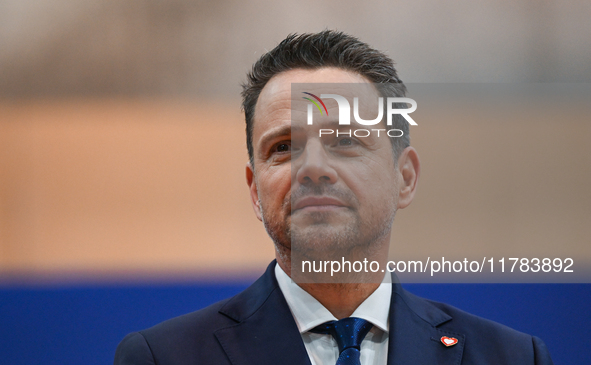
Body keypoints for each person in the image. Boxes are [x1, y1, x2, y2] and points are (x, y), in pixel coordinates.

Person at [114, 30, 554, 365]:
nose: (312, 168)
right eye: (283, 147)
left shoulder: (510, 356)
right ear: (254, 189)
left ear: (405, 177)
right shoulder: (163, 357)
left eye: (345, 140)